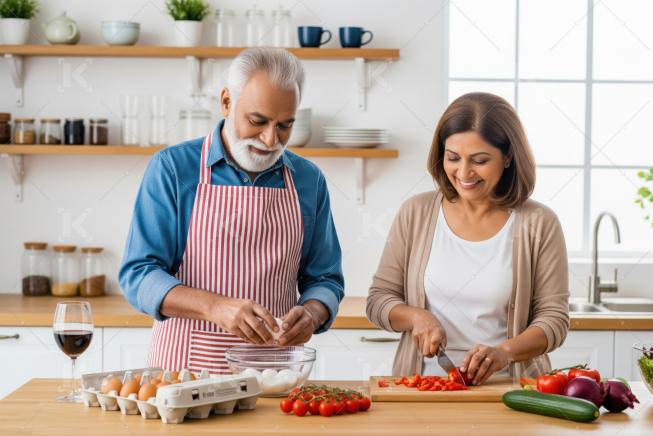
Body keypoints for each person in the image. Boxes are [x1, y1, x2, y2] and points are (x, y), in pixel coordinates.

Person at [119, 47, 344, 374]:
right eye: (258, 121)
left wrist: (313, 311)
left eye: (284, 126)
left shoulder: (308, 180)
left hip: (275, 374)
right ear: (226, 102)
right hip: (186, 373)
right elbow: (138, 274)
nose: (270, 139)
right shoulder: (173, 169)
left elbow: (325, 277)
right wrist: (215, 307)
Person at [367, 92, 569, 385]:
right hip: (423, 388)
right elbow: (378, 301)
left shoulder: (539, 223)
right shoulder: (416, 212)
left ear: (509, 156)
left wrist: (504, 353)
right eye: (453, 158)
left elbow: (554, 321)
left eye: (480, 160)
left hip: (511, 394)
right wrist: (416, 317)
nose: (463, 173)